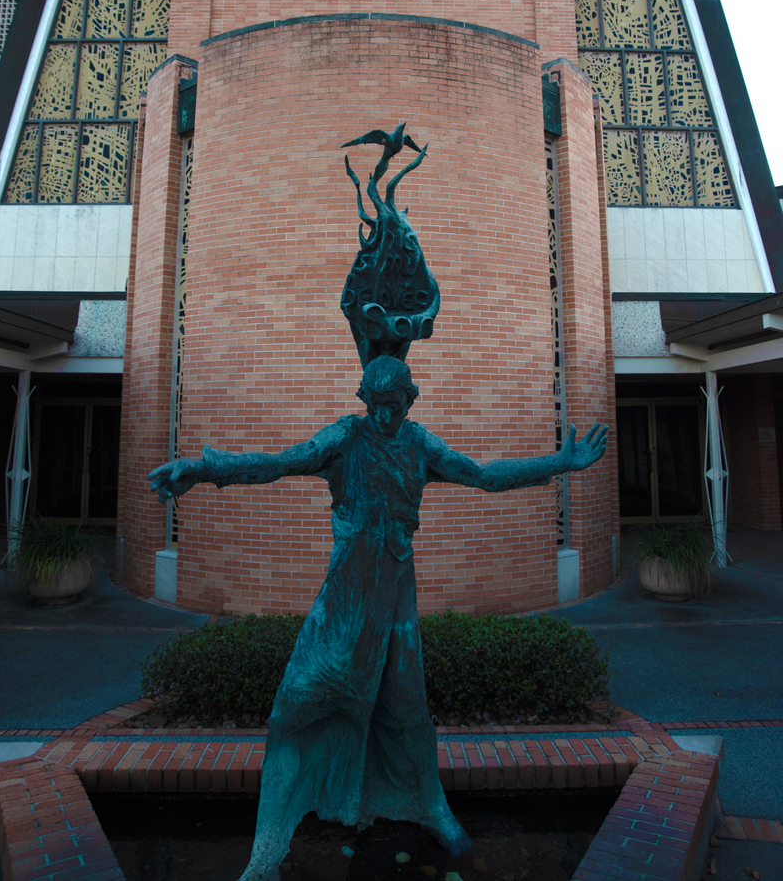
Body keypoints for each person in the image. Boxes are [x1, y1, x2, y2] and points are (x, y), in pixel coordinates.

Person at [149, 355, 607, 881]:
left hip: (395, 609)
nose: (386, 417)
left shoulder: (420, 445)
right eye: (377, 406)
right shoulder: (346, 438)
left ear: (410, 401)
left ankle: (429, 806)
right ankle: (266, 852)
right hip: (342, 609)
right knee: (294, 710)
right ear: (364, 401)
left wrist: (560, 463)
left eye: (395, 405)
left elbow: (485, 477)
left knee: (409, 716)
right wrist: (204, 468)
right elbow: (278, 462)